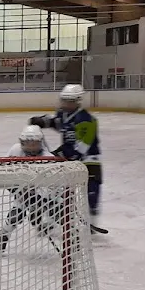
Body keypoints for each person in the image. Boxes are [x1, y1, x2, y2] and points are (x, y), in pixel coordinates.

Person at [29, 84, 101, 225]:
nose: (65, 103)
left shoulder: (86, 119)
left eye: (70, 101)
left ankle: (92, 221)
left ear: (77, 101)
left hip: (89, 160)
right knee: (56, 184)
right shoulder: (64, 114)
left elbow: (82, 148)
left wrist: (61, 155)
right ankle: (52, 216)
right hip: (67, 154)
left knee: (91, 190)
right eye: (64, 100)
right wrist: (42, 121)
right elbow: (57, 123)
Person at [0, 125, 61, 254]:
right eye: (27, 143)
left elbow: (55, 186)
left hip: (47, 197)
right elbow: (3, 173)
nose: (31, 147)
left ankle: (72, 239)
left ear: (40, 143)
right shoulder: (15, 151)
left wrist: (40, 200)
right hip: (22, 193)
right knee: (15, 217)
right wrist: (15, 189)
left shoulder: (48, 159)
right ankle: (3, 237)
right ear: (21, 142)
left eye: (34, 143)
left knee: (58, 214)